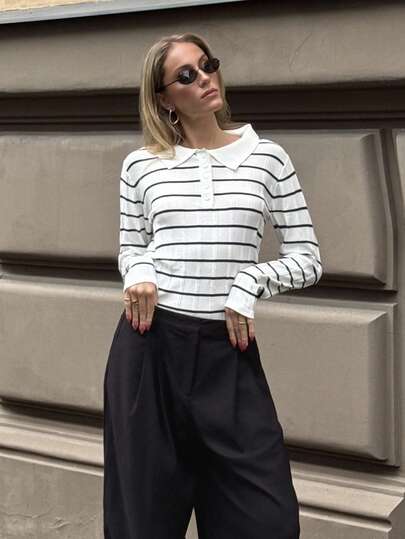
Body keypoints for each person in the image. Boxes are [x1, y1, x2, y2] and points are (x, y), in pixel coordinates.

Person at [103, 32, 322, 539]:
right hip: (150, 351)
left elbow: (309, 258)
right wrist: (138, 274)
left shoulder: (267, 157)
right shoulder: (141, 166)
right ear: (164, 98)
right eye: (187, 75)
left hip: (229, 355)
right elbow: (132, 247)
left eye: (208, 65)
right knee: (143, 523)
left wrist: (251, 280)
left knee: (266, 521)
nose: (205, 78)